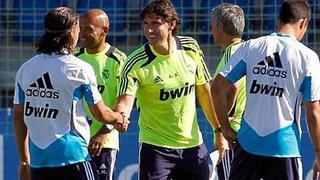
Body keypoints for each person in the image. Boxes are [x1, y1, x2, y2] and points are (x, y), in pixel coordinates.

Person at [13, 7, 127, 180]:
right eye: (78, 28)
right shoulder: (79, 69)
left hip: (38, 161)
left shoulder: (26, 68)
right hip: (73, 158)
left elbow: (18, 117)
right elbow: (101, 113)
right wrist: (119, 119)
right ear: (71, 32)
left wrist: (24, 161)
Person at [115, 0, 225, 179]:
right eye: (146, 24)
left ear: (171, 24)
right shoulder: (135, 62)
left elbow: (205, 92)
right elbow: (125, 101)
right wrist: (122, 117)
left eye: (155, 23)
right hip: (156, 149)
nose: (149, 30)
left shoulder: (191, 48)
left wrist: (218, 131)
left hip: (193, 145)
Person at [211, 1, 320, 179]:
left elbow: (217, 87)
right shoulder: (308, 58)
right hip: (284, 147)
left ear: (278, 20)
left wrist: (225, 127)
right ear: (303, 23)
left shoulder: (251, 47)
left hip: (247, 145)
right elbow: (313, 112)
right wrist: (319, 152)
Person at [77, 9, 127, 180]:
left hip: (103, 143)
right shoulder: (73, 58)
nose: (82, 34)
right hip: (75, 142)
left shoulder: (118, 60)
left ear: (104, 30)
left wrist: (103, 132)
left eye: (88, 29)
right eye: (80, 28)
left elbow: (124, 104)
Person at [210, 3, 246, 180]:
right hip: (248, 132)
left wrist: (225, 128)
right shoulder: (249, 51)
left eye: (212, 26)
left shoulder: (231, 55)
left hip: (233, 134)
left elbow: (232, 86)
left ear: (220, 27)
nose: (211, 31)